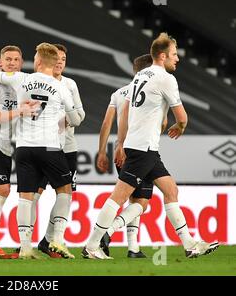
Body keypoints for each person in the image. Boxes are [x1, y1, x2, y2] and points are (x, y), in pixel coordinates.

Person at [83, 33, 219, 259]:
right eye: (174, 54)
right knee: (118, 197)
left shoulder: (139, 76)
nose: (177, 59)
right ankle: (92, 245)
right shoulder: (166, 78)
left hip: (144, 146)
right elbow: (182, 117)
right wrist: (181, 127)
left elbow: (128, 112)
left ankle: (190, 244)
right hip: (143, 147)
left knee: (170, 190)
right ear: (163, 56)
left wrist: (122, 142)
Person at [0, 43, 83, 259]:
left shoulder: (21, 79)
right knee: (64, 190)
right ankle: (57, 239)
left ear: (38, 62)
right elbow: (76, 118)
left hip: (23, 147)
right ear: (52, 63)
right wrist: (64, 119)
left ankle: (25, 246)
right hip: (49, 146)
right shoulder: (60, 87)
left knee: (26, 195)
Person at [0, 45, 39, 259]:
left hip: (4, 145)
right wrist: (20, 110)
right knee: (2, 190)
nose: (11, 63)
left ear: (21, 63)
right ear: (0, 63)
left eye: (16, 59)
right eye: (7, 59)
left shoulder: (19, 86)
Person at [94, 54, 155, 258]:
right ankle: (105, 234)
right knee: (141, 203)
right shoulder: (153, 89)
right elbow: (161, 124)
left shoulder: (118, 93)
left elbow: (106, 123)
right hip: (141, 150)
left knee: (133, 199)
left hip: (122, 151)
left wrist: (103, 151)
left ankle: (133, 248)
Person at [34, 44, 85, 259]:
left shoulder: (70, 84)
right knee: (34, 193)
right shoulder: (36, 81)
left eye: (64, 58)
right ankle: (25, 241)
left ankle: (49, 240)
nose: (60, 62)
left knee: (64, 193)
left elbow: (80, 114)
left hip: (67, 148)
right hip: (43, 146)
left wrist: (66, 121)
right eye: (57, 58)